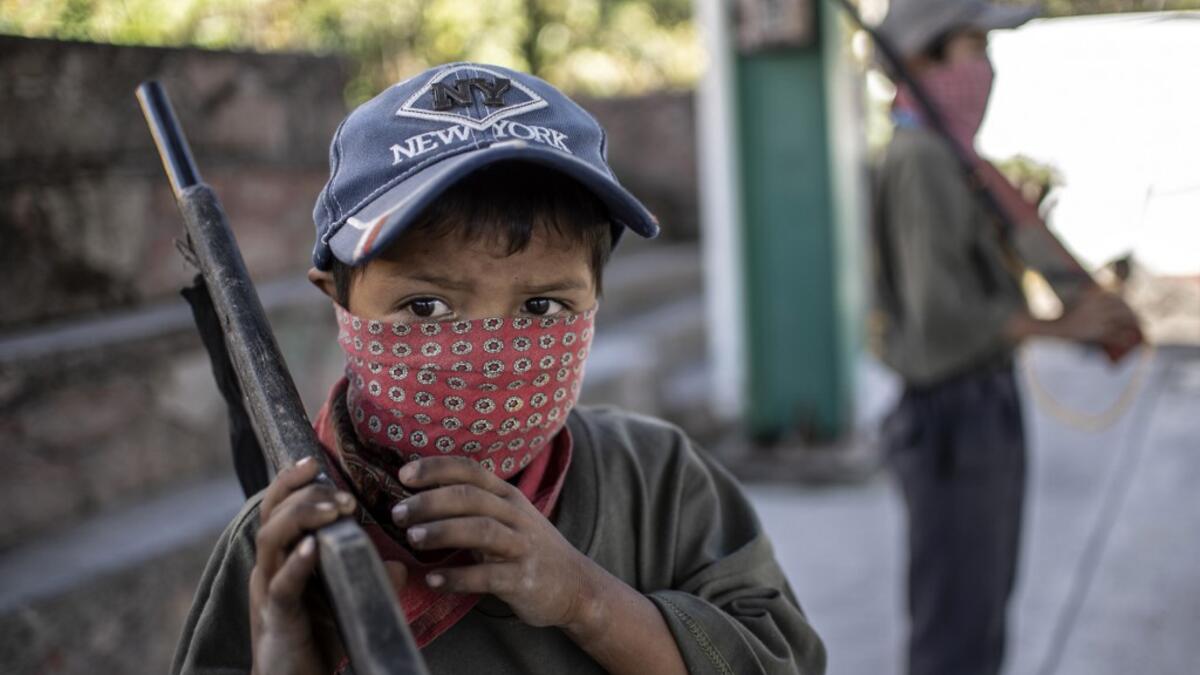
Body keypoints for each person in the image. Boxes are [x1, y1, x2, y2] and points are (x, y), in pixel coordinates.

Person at [170, 62, 826, 675]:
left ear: (594, 299)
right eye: (424, 305)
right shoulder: (278, 543)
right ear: (336, 297)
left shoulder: (658, 480)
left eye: (543, 304)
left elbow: (782, 656)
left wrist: (587, 600)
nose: (484, 352)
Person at [871, 2, 1140, 675]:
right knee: (958, 630)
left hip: (977, 408)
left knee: (980, 614)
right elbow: (942, 315)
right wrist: (1058, 325)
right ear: (924, 59)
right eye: (972, 45)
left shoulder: (952, 154)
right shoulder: (923, 157)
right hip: (953, 415)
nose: (984, 66)